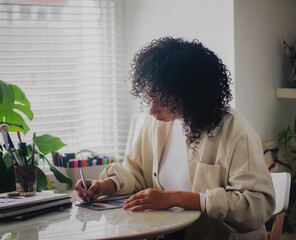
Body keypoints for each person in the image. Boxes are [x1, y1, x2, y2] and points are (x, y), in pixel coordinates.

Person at [75, 37, 275, 240]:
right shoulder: (156, 124)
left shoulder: (234, 129)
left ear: (190, 93)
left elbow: (256, 205)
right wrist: (107, 185)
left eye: (162, 100)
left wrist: (174, 198)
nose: (152, 109)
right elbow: (135, 172)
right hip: (166, 232)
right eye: (150, 98)